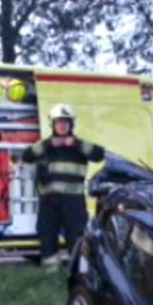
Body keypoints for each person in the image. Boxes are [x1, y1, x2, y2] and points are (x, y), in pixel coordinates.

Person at [20, 103, 106, 269]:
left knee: (76, 237)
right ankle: (51, 272)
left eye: (66, 122)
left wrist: (76, 144)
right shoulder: (45, 146)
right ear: (52, 124)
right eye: (59, 122)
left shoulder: (79, 146)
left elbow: (99, 154)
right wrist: (49, 144)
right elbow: (27, 156)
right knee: (47, 236)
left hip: (73, 203)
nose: (62, 125)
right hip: (48, 202)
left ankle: (79, 273)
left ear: (71, 125)